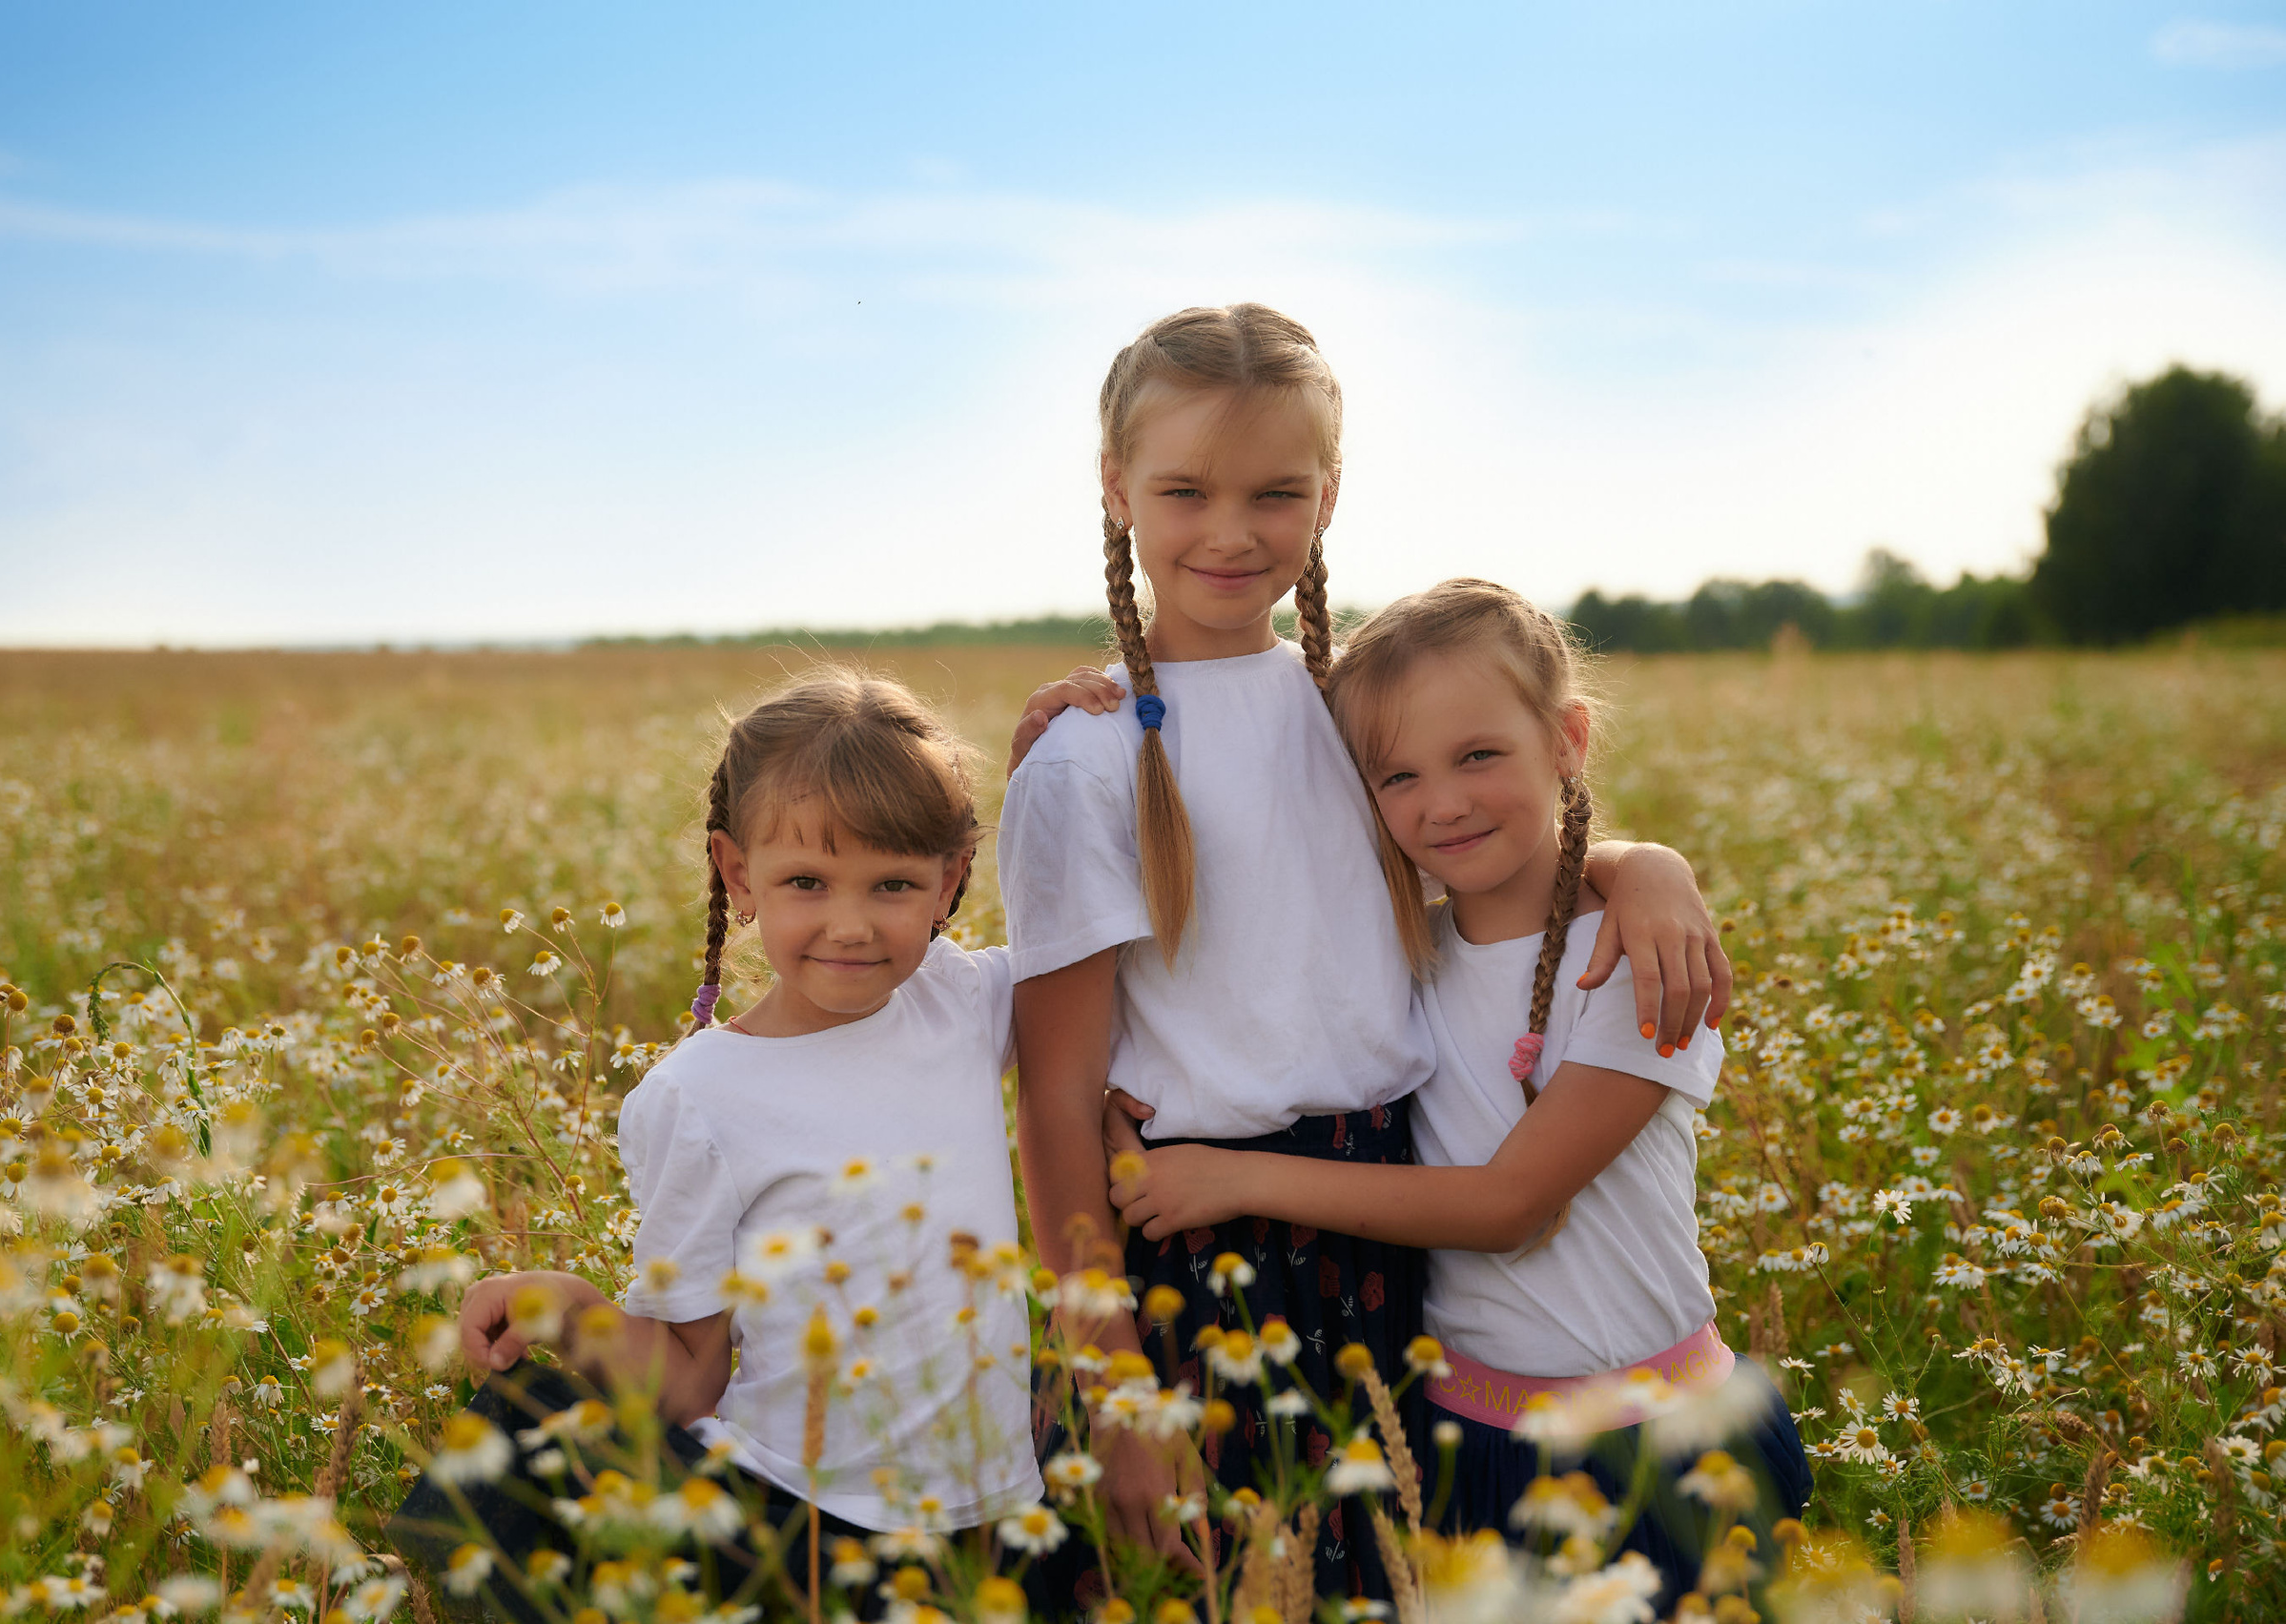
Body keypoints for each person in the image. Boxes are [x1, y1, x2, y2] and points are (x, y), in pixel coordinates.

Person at [998, 304, 1732, 1599]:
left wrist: (1639, 865)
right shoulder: (1084, 759)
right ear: (1115, 488)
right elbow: (1056, 1097)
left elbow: (1480, 841)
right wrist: (1110, 1377)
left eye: (1276, 491)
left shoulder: (1348, 714)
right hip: (1195, 1242)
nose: (1232, 529)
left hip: (1394, 1238)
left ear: (1328, 497)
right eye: (1185, 489)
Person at [1104, 579, 1811, 1613]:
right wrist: (1102, 696)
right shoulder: (1396, 954)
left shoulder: (1636, 962)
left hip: (1659, 1448)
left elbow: (1506, 1203)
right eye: (1397, 775)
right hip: (1462, 1445)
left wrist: (1229, 1176)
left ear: (1567, 738)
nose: (1442, 801)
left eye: (1478, 755)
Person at [396, 670, 1041, 1617]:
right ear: (738, 874)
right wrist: (572, 1309)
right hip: (800, 1519)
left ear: (951, 877)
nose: (852, 924)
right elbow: (693, 1375)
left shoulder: (964, 1000)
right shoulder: (696, 1095)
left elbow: (1094, 939)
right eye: (806, 882)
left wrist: (1058, 754)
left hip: (993, 1518)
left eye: (894, 883)